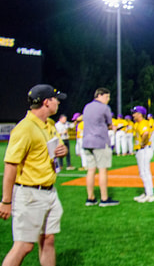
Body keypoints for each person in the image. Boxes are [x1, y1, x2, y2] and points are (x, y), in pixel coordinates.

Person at [1, 84, 69, 266]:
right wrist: (6, 201)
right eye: (56, 99)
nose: (58, 103)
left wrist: (61, 151)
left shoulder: (50, 124)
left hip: (49, 192)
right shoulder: (24, 129)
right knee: (23, 246)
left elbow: (54, 149)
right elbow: (10, 165)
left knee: (48, 239)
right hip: (29, 194)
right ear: (47, 102)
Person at [81, 87, 119, 207]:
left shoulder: (87, 106)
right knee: (103, 169)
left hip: (87, 141)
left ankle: (90, 197)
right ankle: (104, 198)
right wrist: (113, 128)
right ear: (100, 95)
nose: (108, 99)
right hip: (100, 141)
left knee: (91, 170)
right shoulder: (104, 108)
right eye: (107, 96)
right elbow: (109, 124)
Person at [132, 106, 154, 203]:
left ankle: (150, 195)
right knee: (142, 172)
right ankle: (147, 193)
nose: (133, 115)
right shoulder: (138, 123)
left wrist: (142, 143)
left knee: (145, 172)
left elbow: (145, 133)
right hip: (141, 150)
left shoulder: (143, 123)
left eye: (135, 113)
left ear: (140, 114)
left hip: (144, 149)